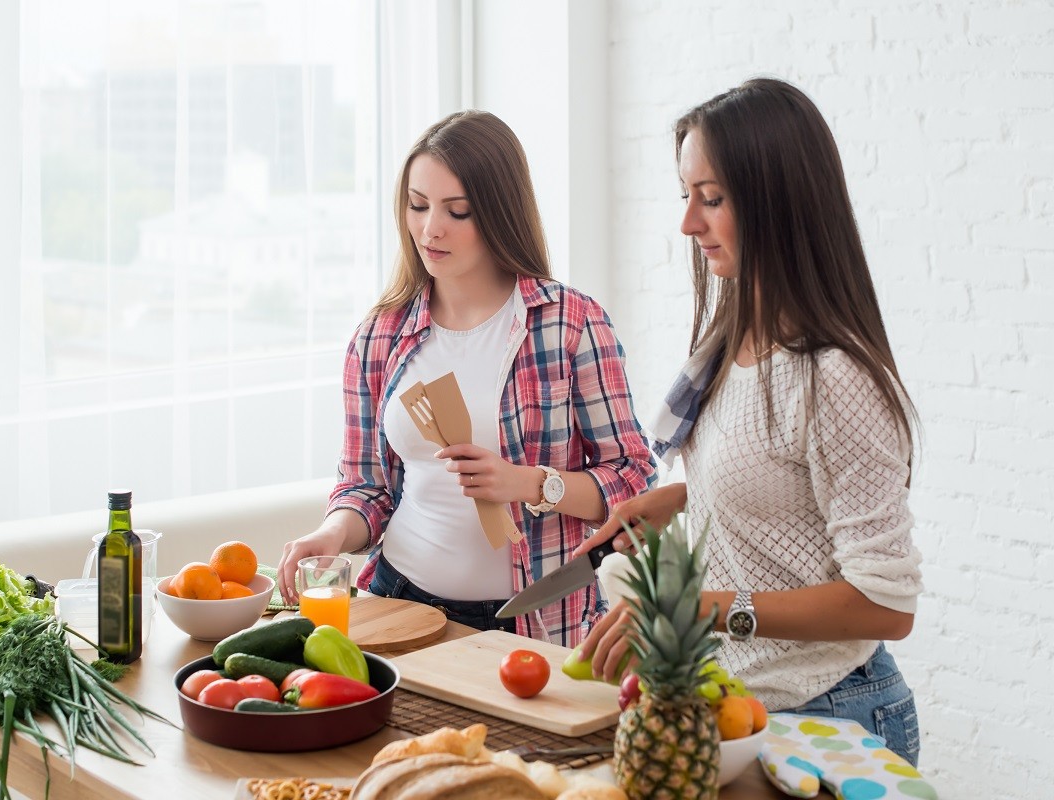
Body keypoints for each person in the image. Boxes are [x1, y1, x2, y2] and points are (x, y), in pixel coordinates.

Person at [577, 78, 924, 764]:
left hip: (834, 716)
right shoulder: (730, 342)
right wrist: (678, 499)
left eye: (712, 199)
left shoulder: (833, 376)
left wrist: (709, 607)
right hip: (743, 708)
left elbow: (886, 605)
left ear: (778, 202)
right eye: (687, 196)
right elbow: (777, 480)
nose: (688, 224)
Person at [275, 110, 656, 647]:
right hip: (396, 599)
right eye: (417, 205)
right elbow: (367, 484)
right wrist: (333, 532)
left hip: (529, 620)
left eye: (457, 211)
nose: (431, 228)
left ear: (500, 212)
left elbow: (635, 478)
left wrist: (527, 483)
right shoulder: (379, 337)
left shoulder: (570, 324)